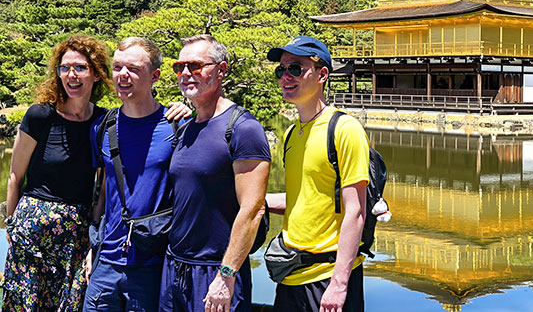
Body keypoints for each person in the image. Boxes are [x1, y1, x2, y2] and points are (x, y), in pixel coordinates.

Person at [159, 34, 270, 312]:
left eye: (196, 66)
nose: (186, 73)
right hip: (174, 266)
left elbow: (253, 209)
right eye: (179, 67)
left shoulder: (243, 128)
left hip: (215, 272)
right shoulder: (185, 127)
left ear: (221, 70)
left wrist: (227, 274)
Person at [2, 34, 112, 311]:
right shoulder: (40, 115)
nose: (71, 75)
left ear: (97, 74)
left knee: (70, 305)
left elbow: (103, 185)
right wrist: (12, 225)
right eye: (65, 68)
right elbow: (15, 176)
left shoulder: (104, 121)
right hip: (32, 227)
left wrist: (94, 233)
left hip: (76, 233)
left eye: (80, 68)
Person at [83, 37, 190, 312]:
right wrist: (91, 245)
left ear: (155, 76)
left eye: (133, 69)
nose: (123, 76)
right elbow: (102, 191)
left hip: (153, 264)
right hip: (105, 263)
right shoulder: (102, 128)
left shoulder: (178, 125)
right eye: (117, 67)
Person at [266, 36, 369, 312]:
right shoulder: (290, 134)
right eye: (281, 70)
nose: (285, 77)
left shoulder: (345, 129)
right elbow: (303, 199)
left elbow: (355, 212)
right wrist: (256, 202)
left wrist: (339, 284)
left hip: (327, 278)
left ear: (322, 74)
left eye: (295, 69)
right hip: (289, 274)